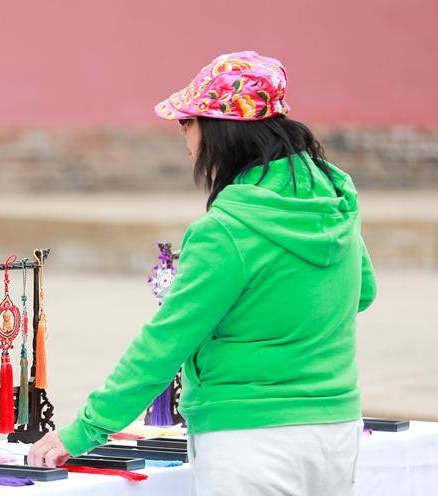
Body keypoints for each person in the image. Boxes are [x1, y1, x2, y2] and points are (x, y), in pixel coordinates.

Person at [28, 51, 377, 495]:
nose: (183, 135)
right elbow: (363, 292)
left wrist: (84, 430)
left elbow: (165, 343)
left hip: (249, 437)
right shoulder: (334, 201)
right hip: (337, 427)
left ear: (219, 129)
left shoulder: (226, 231)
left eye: (186, 122)